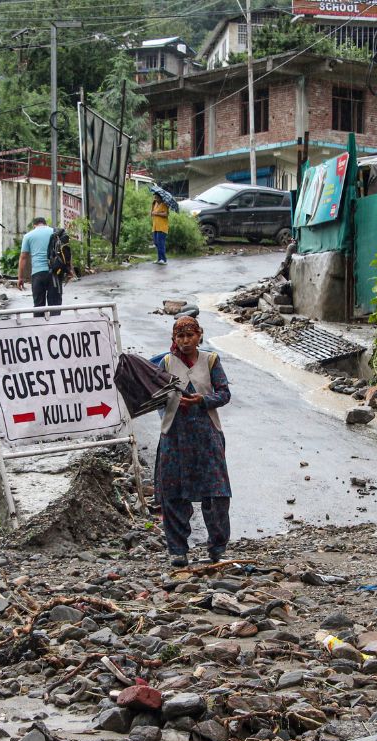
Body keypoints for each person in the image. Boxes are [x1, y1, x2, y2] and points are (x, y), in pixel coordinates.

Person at [151, 316, 232, 568]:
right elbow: (154, 394)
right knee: (173, 493)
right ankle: (177, 550)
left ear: (200, 336)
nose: (185, 341)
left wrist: (202, 400)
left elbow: (224, 394)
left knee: (216, 493)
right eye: (180, 336)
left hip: (207, 435)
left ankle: (217, 548)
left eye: (190, 336)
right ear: (174, 339)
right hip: (174, 435)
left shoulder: (211, 360)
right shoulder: (165, 362)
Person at [18, 217, 59, 316]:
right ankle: (56, 328)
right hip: (54, 273)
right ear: (45, 224)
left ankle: (40, 329)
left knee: (38, 306)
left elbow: (23, 258)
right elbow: (65, 252)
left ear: (34, 225)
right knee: (55, 306)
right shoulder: (55, 232)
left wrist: (20, 277)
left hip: (37, 274)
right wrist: (70, 271)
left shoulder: (28, 236)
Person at [151, 194, 170, 265]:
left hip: (162, 227)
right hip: (155, 227)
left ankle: (164, 259)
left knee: (161, 243)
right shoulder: (155, 204)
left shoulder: (164, 204)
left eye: (156, 198)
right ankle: (159, 259)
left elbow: (166, 214)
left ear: (160, 198)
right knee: (156, 243)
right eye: (154, 197)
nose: (155, 199)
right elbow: (151, 214)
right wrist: (152, 206)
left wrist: (156, 213)